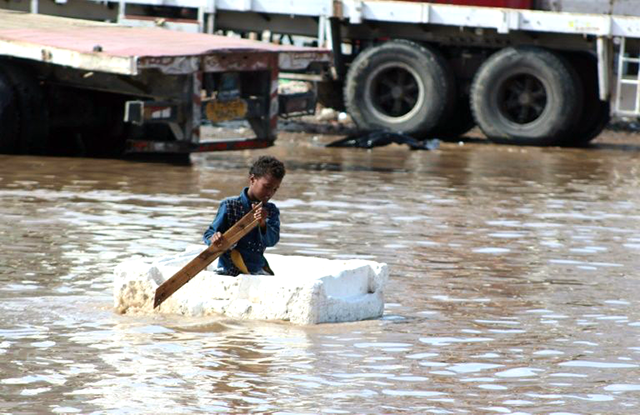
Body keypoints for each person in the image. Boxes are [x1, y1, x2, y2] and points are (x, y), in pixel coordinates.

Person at [203, 155, 285, 276]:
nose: (269, 193)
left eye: (275, 189)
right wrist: (214, 238)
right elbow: (209, 234)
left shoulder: (271, 211)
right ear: (252, 179)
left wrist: (262, 224)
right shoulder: (230, 205)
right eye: (266, 187)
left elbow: (272, 241)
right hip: (229, 270)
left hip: (257, 269)